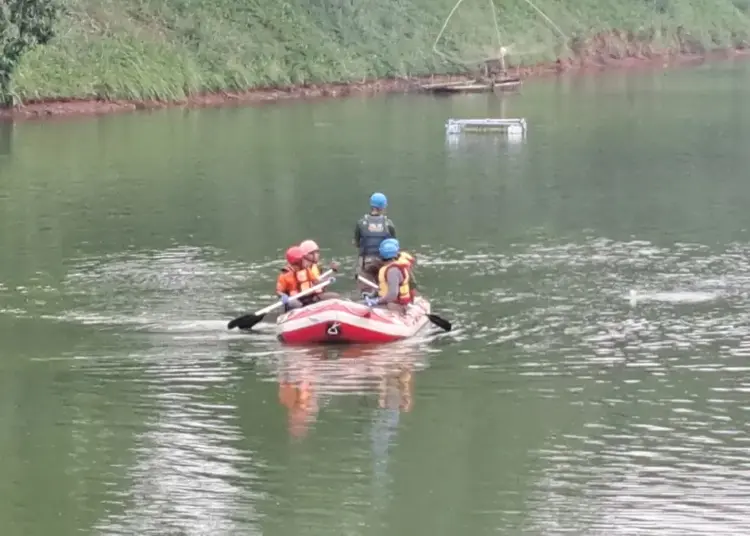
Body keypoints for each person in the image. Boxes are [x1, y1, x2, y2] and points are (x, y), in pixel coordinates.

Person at [353, 192, 396, 287]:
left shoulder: (361, 223)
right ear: (383, 206)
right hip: (384, 263)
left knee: (365, 289)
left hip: (366, 262)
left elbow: (356, 244)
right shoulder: (388, 224)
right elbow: (394, 246)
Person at [362, 238, 413, 312]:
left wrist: (377, 301)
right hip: (390, 302)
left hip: (395, 305)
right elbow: (384, 287)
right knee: (362, 303)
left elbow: (393, 294)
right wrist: (373, 295)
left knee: (362, 306)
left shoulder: (393, 271)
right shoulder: (391, 268)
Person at [276, 245, 312, 311]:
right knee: (296, 304)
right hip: (293, 300)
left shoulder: (307, 270)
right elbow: (279, 291)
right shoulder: (284, 275)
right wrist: (283, 295)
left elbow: (315, 281)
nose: (306, 261)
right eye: (303, 259)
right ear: (297, 262)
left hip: (306, 297)